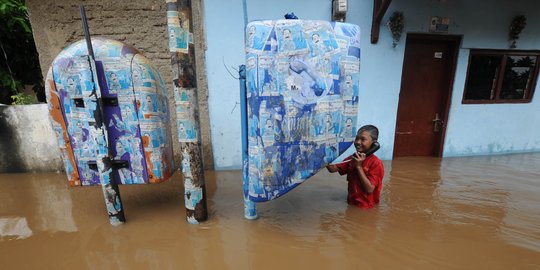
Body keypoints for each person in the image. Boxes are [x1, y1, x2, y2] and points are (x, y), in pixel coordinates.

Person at [326, 125, 384, 209]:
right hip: (351, 204)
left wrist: (359, 167)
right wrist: (324, 157)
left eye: (363, 139)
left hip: (367, 208)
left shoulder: (376, 163)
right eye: (357, 138)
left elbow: (369, 189)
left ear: (374, 143)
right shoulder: (352, 158)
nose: (358, 142)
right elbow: (332, 169)